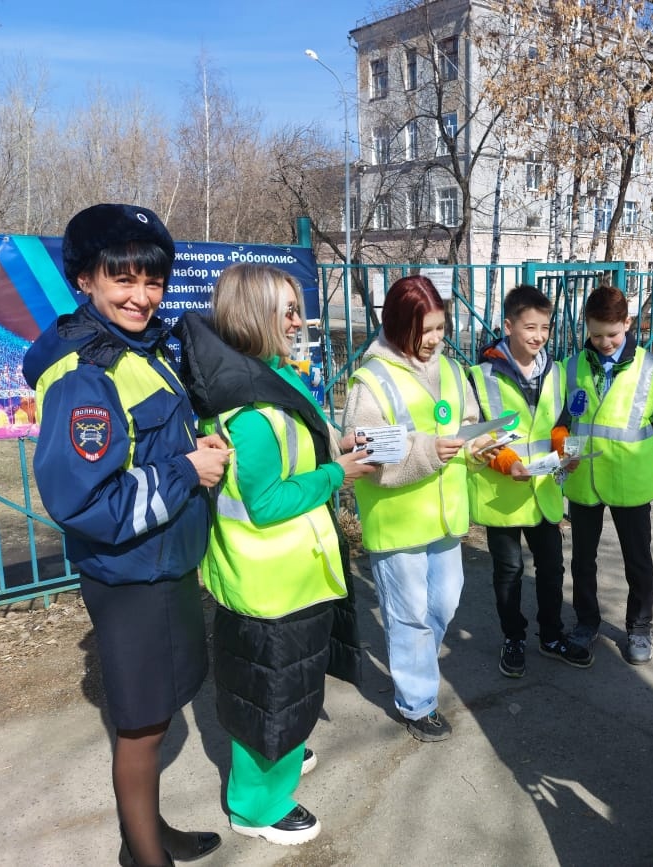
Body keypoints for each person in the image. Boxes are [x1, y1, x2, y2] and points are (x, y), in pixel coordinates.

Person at [23, 204, 228, 867]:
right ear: (85, 278)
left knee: (161, 711)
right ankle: (144, 856)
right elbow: (86, 500)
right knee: (142, 727)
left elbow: (149, 444)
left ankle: (148, 831)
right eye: (123, 279)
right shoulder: (84, 372)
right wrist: (186, 469)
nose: (142, 295)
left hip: (162, 564)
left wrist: (194, 448)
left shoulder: (142, 348)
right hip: (129, 574)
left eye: (153, 281)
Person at [174, 265, 376, 845]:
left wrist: (333, 446)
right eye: (286, 310)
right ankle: (256, 807)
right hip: (270, 583)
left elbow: (292, 457)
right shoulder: (253, 408)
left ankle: (279, 756)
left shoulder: (267, 381)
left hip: (287, 577)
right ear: (252, 317)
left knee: (282, 693)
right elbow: (264, 502)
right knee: (271, 697)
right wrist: (338, 473)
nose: (298, 321)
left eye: (298, 308)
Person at [341, 275, 480, 742]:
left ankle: (416, 665)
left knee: (445, 601)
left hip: (446, 515)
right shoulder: (370, 381)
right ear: (400, 326)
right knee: (409, 614)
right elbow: (363, 452)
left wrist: (478, 440)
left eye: (440, 328)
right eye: (426, 330)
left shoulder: (453, 370)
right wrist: (426, 452)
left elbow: (470, 419)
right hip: (397, 520)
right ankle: (417, 704)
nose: (435, 339)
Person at [467, 285, 591, 677]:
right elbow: (475, 434)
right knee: (509, 572)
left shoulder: (555, 372)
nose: (538, 336)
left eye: (546, 328)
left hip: (544, 492)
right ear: (508, 326)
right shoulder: (479, 375)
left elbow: (559, 423)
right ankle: (513, 637)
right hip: (502, 493)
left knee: (552, 569)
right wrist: (506, 462)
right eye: (529, 327)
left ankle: (550, 635)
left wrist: (564, 451)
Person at [557, 284, 653, 665]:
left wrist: (634, 452)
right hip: (583, 477)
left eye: (612, 333)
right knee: (582, 560)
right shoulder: (571, 366)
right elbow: (563, 421)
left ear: (628, 322)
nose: (605, 342)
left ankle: (639, 627)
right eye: (596, 334)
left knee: (637, 559)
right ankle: (586, 621)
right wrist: (565, 452)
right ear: (586, 329)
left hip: (630, 479)